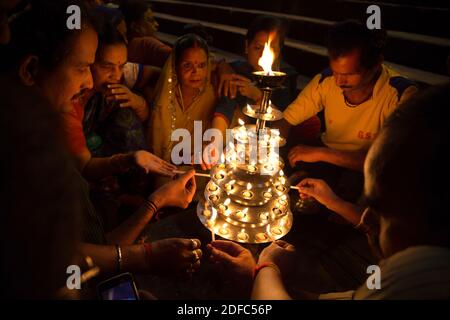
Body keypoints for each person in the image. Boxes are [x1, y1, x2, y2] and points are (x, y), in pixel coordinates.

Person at [4, 0, 203, 282]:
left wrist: (156, 201)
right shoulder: (23, 157)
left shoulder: (38, 131)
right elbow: (59, 260)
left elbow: (99, 249)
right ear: (30, 69)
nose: (88, 83)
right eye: (83, 67)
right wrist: (145, 256)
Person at [210, 83, 450, 300]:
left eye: (379, 208)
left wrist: (267, 266)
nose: (364, 220)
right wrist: (257, 279)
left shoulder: (416, 281)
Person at [277, 20, 418, 174]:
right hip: (327, 156)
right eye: (335, 71)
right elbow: (286, 121)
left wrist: (322, 153)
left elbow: (391, 162)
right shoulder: (326, 80)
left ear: (376, 64)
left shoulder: (400, 94)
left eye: (349, 74)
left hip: (369, 170)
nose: (338, 81)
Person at [148, 33, 217, 163]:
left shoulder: (212, 95)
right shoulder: (165, 97)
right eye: (187, 65)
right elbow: (157, 147)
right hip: (163, 167)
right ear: (175, 66)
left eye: (201, 65)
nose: (195, 72)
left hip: (200, 166)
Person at [119, 0, 171, 68]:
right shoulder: (145, 44)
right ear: (135, 26)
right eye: (150, 20)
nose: (156, 24)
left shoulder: (121, 47)